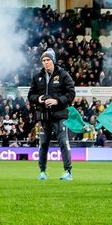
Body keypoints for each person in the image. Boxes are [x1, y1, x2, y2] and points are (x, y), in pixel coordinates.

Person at [28, 49, 75, 181]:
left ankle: (68, 172)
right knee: (43, 144)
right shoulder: (37, 76)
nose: (45, 62)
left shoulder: (63, 75)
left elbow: (71, 94)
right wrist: (38, 99)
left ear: (53, 60)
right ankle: (42, 171)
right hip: (43, 116)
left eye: (48, 60)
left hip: (60, 115)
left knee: (63, 143)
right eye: (43, 60)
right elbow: (30, 95)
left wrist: (57, 101)